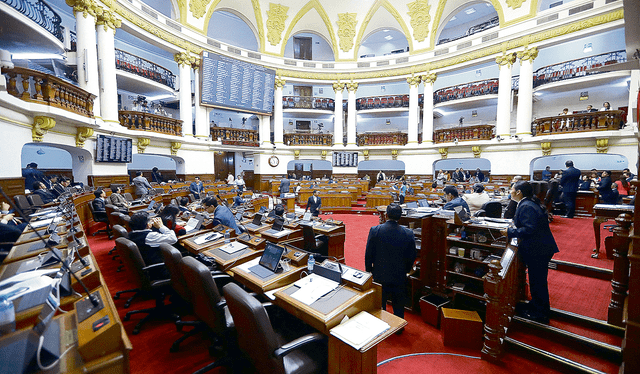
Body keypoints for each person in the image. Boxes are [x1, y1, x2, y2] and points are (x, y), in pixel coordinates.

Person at [500, 181, 558, 324]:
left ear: (518, 192)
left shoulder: (526, 206)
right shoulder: (528, 202)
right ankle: (536, 305)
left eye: (512, 189)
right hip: (539, 247)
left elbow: (528, 229)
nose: (510, 191)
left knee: (538, 282)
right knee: (536, 281)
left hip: (539, 249)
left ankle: (541, 314)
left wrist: (509, 231)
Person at [365, 203, 416, 322]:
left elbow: (369, 253)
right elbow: (411, 255)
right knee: (398, 303)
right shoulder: (408, 233)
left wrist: (369, 270)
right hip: (399, 275)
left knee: (380, 303)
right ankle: (398, 326)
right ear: (400, 217)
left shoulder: (375, 230)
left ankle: (380, 324)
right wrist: (406, 270)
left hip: (379, 274)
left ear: (386, 215)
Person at [128, 212, 177, 277]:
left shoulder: (132, 233)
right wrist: (161, 226)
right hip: (158, 270)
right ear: (148, 225)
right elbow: (173, 239)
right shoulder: (149, 236)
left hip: (146, 264)